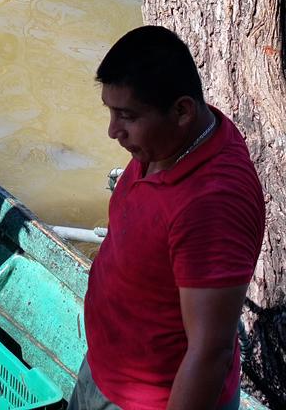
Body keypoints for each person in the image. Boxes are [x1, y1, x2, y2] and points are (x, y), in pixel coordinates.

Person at [72, 25, 265, 410]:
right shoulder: (164, 145)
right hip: (106, 369)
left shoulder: (212, 205)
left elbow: (210, 352)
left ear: (182, 111)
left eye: (126, 116)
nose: (113, 131)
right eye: (110, 112)